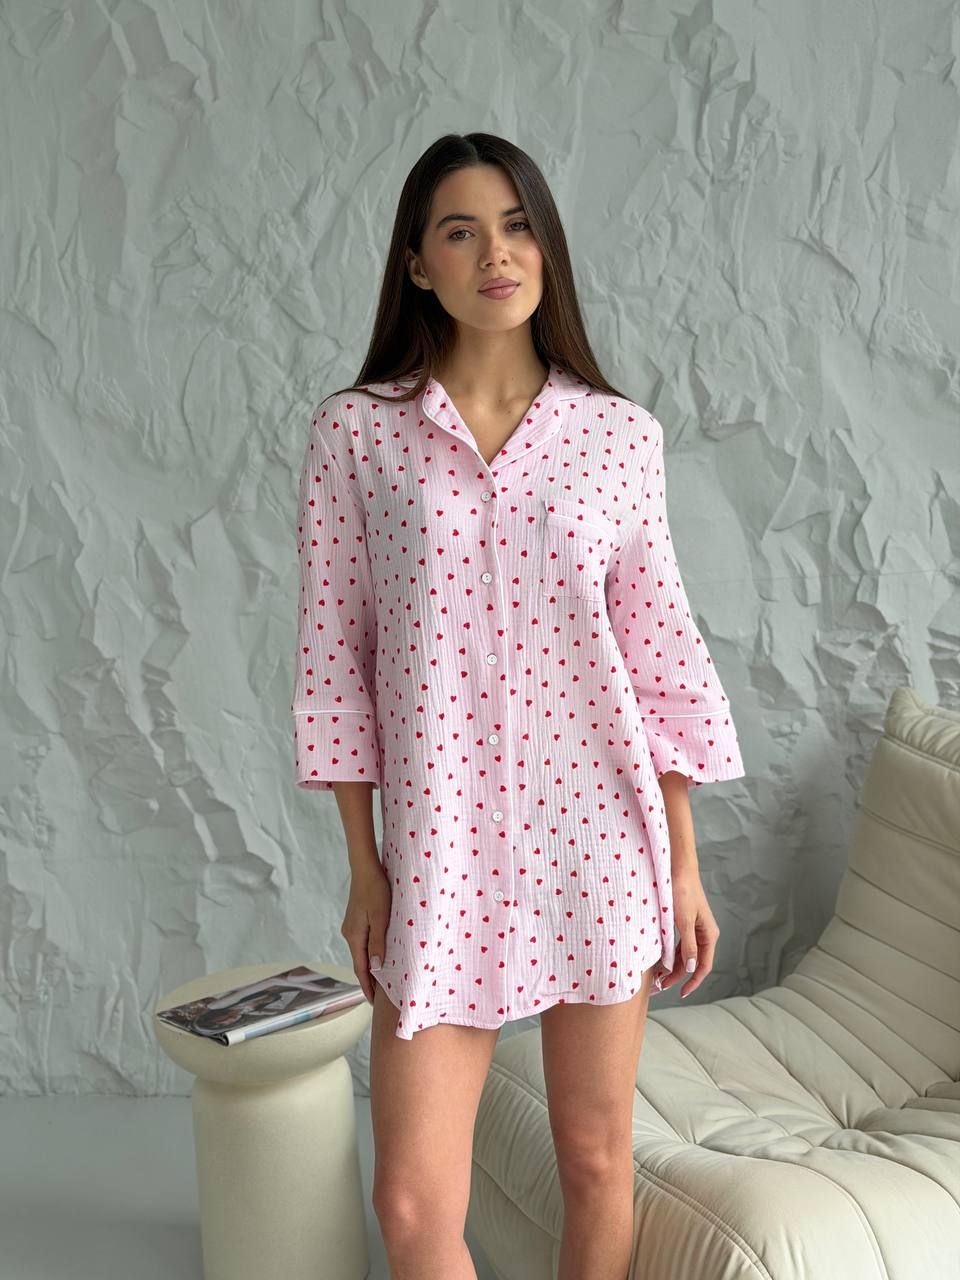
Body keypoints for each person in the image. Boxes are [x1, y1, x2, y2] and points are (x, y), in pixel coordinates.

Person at [290, 132, 745, 1280]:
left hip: (599, 843)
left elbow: (660, 657)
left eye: (518, 224)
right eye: (461, 230)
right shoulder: (358, 434)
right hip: (441, 853)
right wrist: (365, 867)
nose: (497, 252)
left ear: (546, 248)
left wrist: (683, 862)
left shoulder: (618, 438)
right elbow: (335, 661)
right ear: (418, 265)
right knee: (410, 1202)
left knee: (594, 1159)